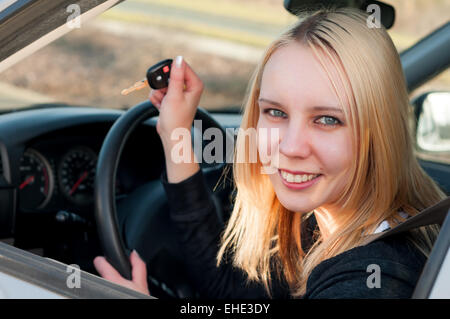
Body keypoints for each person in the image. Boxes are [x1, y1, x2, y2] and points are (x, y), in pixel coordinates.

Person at [93, 8, 447, 298]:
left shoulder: (375, 278)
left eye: (327, 119)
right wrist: (176, 136)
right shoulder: (325, 221)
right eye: (276, 112)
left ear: (379, 131)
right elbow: (234, 298)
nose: (290, 148)